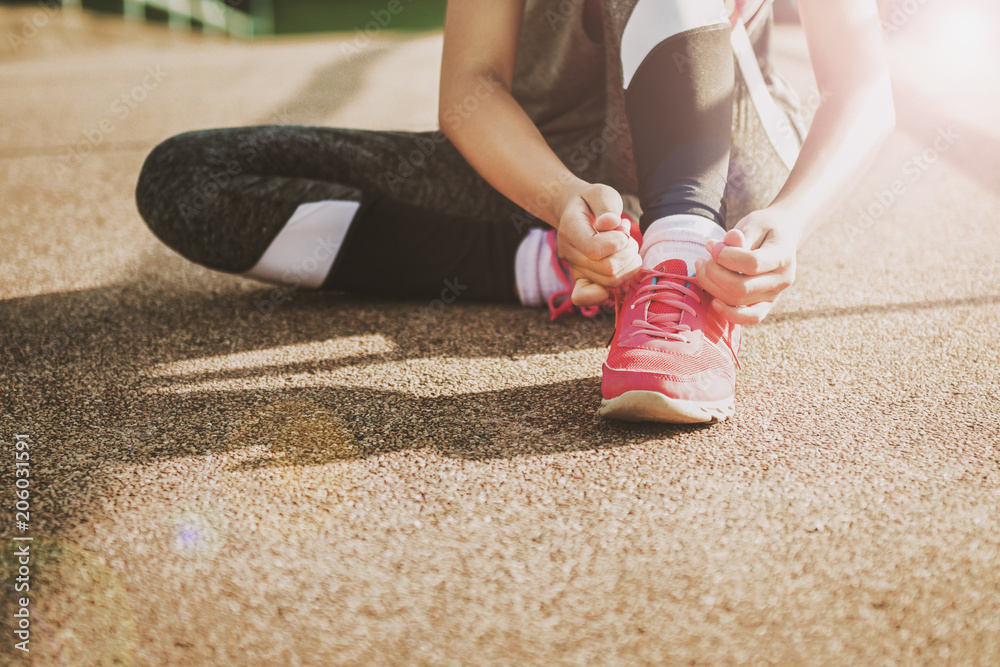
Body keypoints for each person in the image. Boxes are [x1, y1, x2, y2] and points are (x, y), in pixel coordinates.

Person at [135, 0, 894, 424]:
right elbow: (470, 87)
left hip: (725, 158)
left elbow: (863, 86)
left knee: (704, 197)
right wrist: (559, 201)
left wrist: (792, 219)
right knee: (189, 177)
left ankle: (682, 262)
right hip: (548, 169)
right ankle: (555, 264)